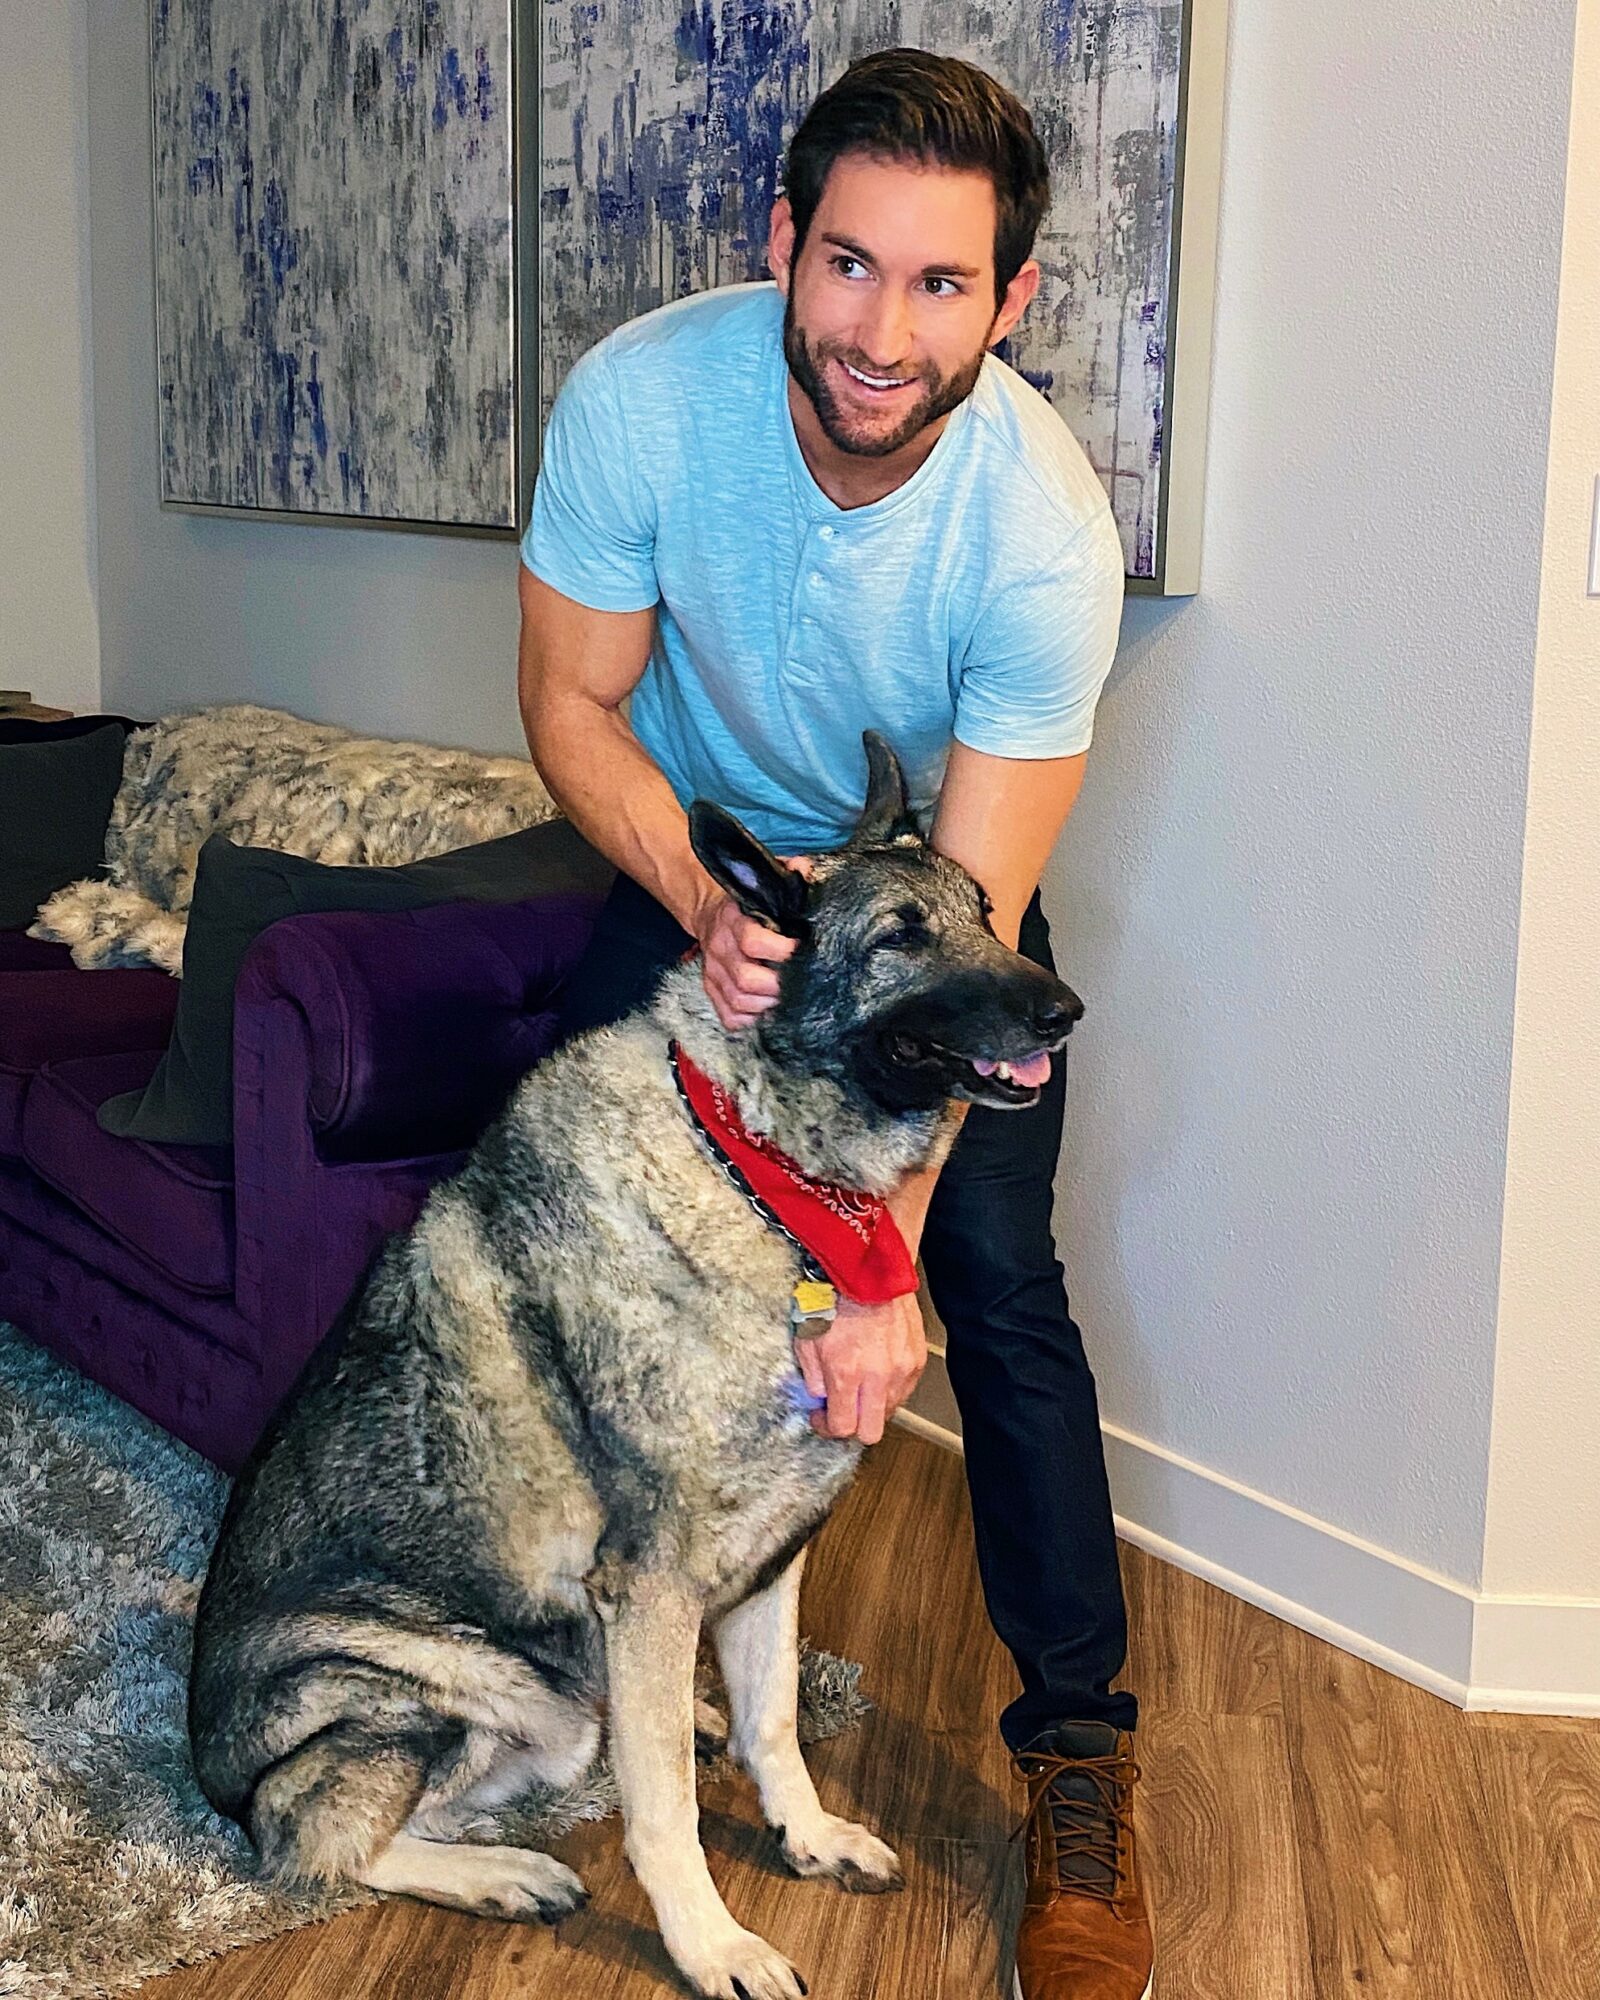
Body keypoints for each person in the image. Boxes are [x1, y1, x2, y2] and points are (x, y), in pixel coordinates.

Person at [517, 48, 1153, 2000]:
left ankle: (1078, 1766)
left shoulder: (1039, 538)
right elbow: (567, 704)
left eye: (941, 283)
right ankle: (564, 1610)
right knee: (549, 1209)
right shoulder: (640, 400)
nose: (883, 334)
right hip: (692, 866)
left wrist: (869, 1264)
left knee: (993, 1292)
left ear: (1009, 298)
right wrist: (708, 899)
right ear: (783, 240)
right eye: (851, 265)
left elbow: (967, 937)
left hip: (921, 919)